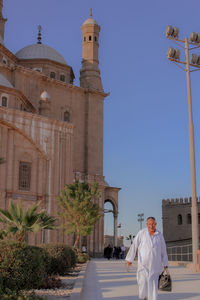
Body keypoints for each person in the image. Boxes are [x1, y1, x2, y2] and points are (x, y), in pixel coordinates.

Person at [125, 217, 168, 300]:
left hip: (155, 265)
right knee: (143, 281)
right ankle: (143, 297)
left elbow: (163, 249)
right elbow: (134, 245)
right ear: (147, 224)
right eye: (149, 224)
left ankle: (152, 298)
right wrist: (130, 259)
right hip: (143, 265)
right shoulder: (142, 233)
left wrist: (165, 263)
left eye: (153, 224)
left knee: (153, 283)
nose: (151, 226)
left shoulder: (159, 234)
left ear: (155, 224)